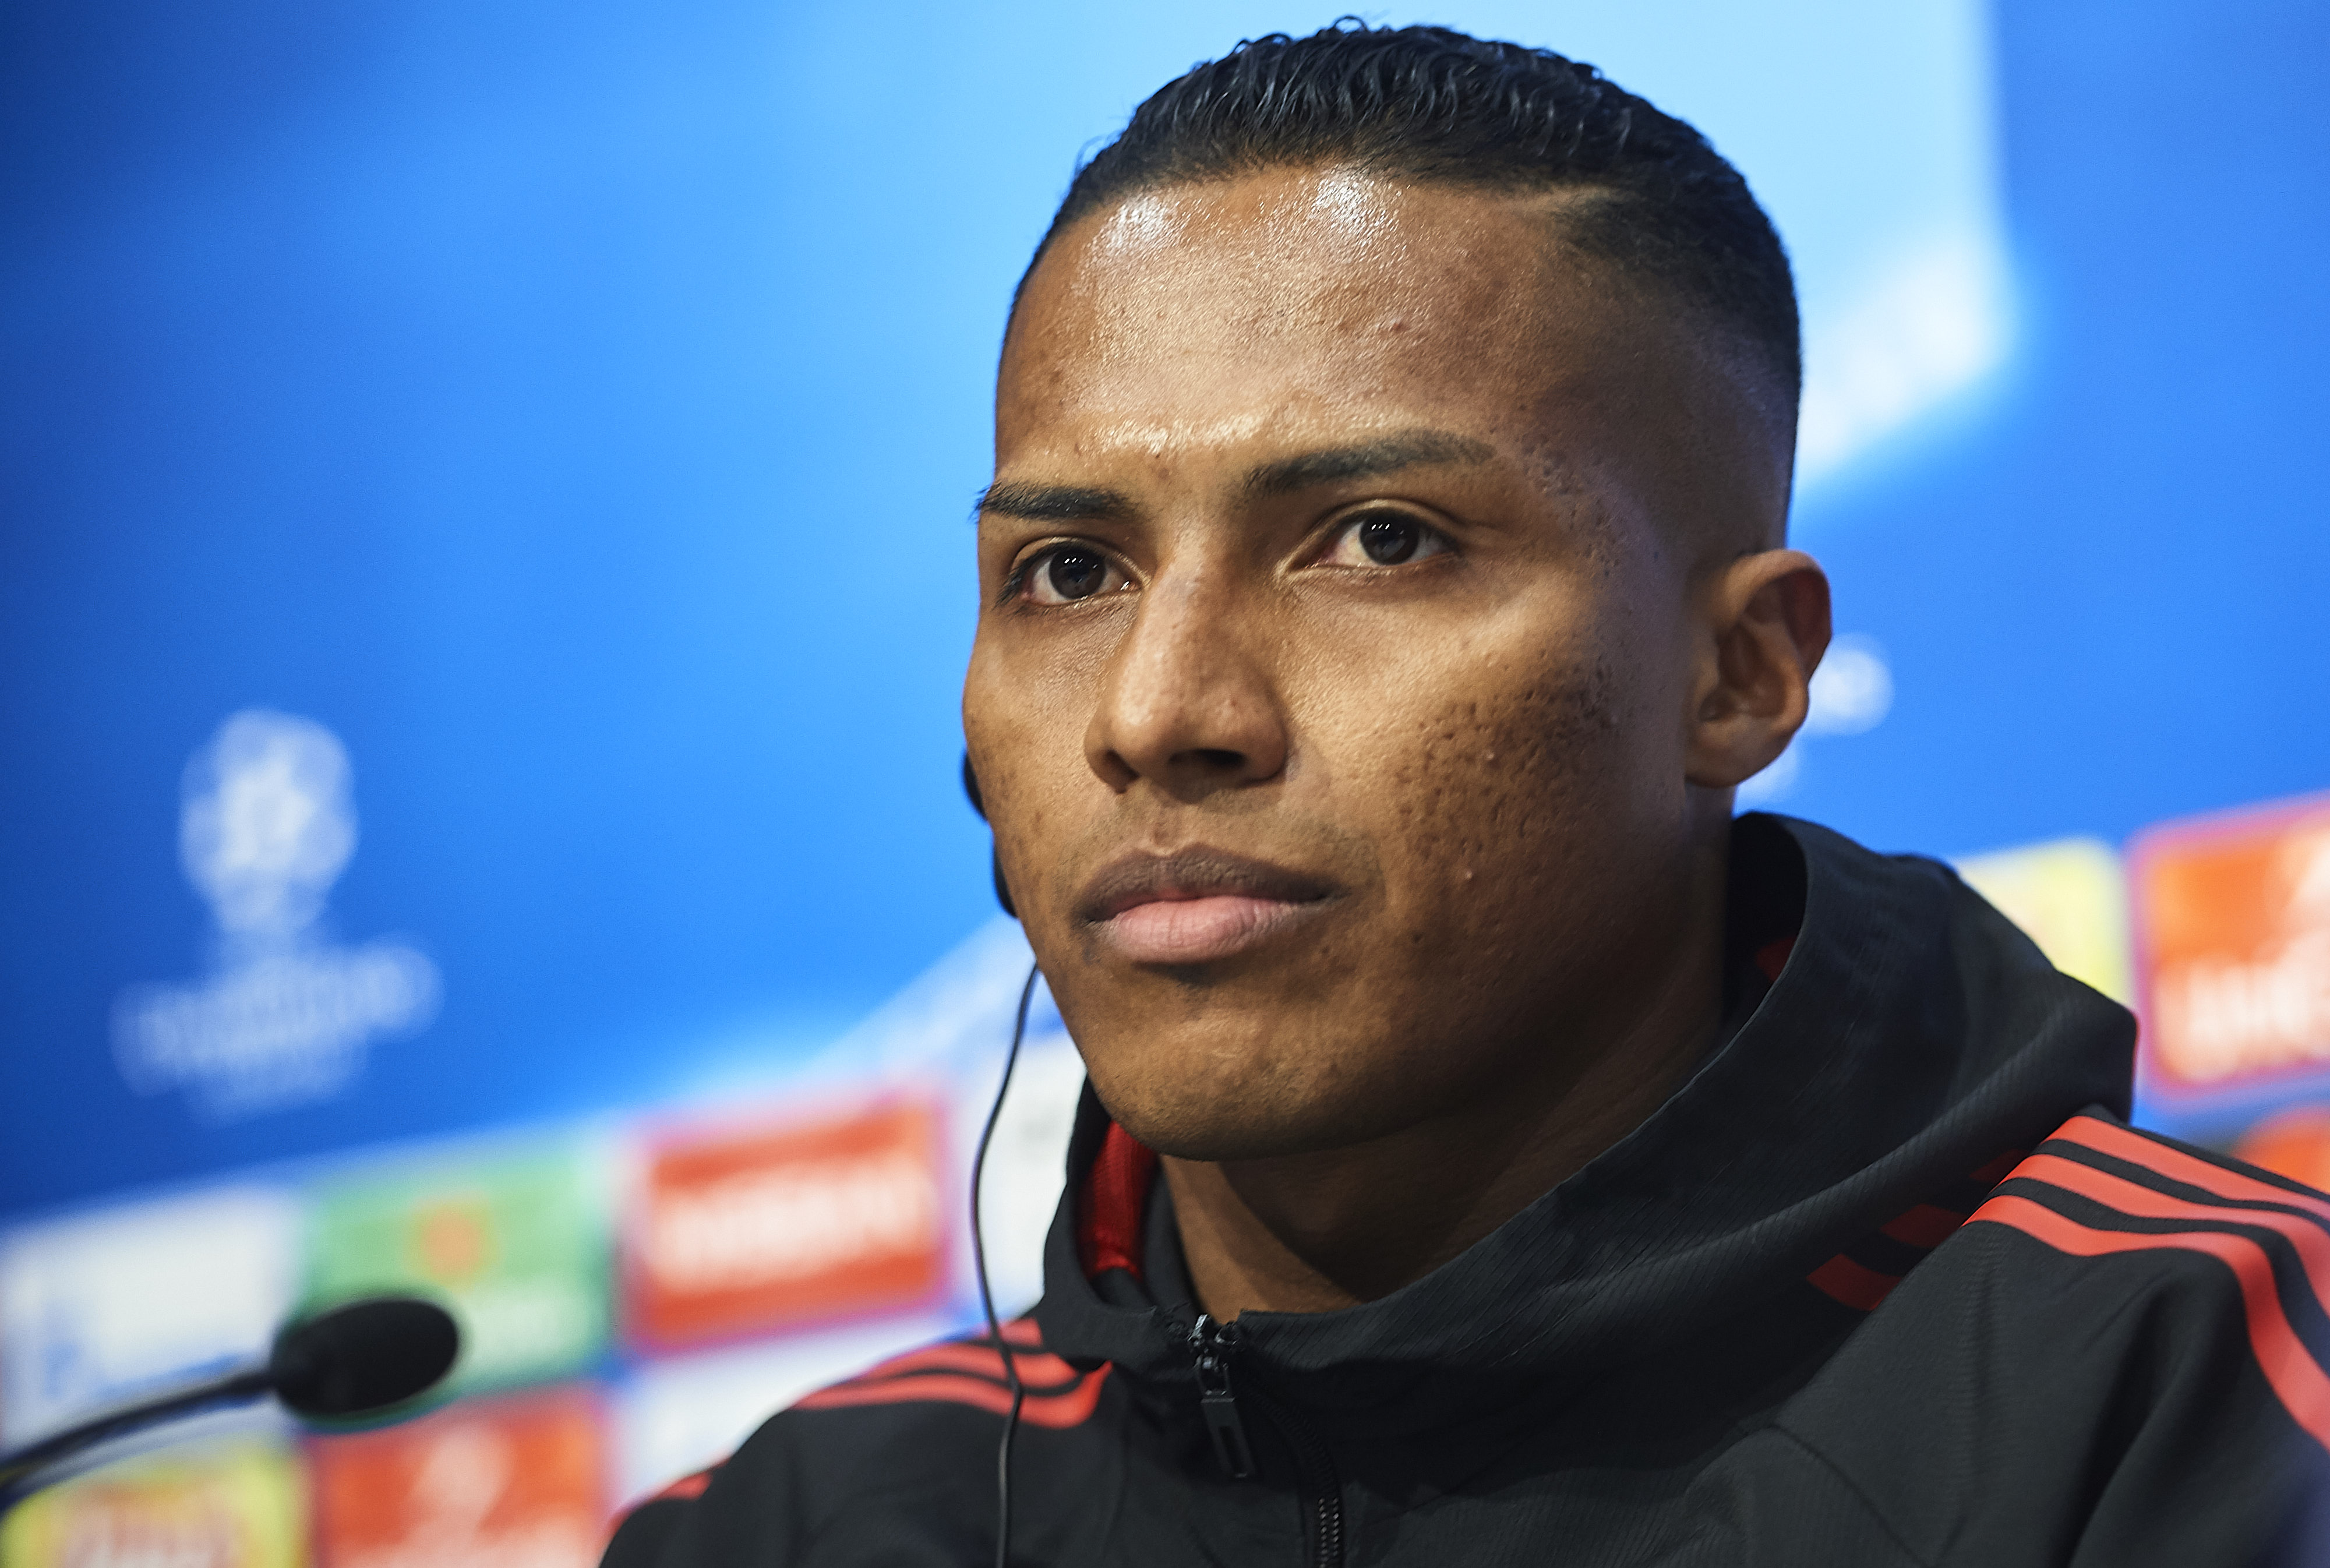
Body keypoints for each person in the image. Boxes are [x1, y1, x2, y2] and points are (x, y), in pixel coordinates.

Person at [604, 23, 2330, 1566]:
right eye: (1068, 572)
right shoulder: (788, 1525)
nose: (1159, 712)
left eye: (1379, 540)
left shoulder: (2195, 1396)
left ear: (1740, 676)